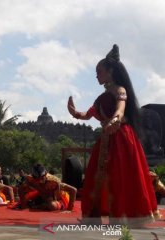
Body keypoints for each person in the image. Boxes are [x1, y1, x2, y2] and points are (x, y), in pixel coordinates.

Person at [67, 44, 158, 225]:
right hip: (106, 139)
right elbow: (88, 114)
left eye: (99, 72)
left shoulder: (120, 90)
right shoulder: (101, 97)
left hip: (122, 138)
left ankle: (125, 217)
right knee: (95, 175)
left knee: (121, 177)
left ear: (110, 72)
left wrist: (116, 119)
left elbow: (121, 107)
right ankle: (94, 216)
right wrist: (75, 112)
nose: (96, 76)